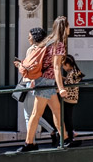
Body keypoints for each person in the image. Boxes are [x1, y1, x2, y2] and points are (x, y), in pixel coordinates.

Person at [17, 16, 70, 152]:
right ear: (65, 28)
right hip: (46, 81)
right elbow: (56, 68)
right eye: (69, 27)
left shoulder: (49, 41)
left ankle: (65, 138)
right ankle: (29, 144)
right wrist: (61, 88)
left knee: (57, 111)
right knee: (36, 113)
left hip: (45, 81)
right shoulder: (58, 44)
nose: (70, 29)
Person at [13, 27, 57, 146]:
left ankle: (32, 142)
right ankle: (54, 132)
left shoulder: (32, 49)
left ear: (35, 36)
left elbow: (29, 69)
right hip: (43, 82)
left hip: (31, 83)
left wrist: (19, 65)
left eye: (30, 35)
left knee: (30, 115)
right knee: (40, 112)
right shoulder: (46, 49)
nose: (28, 38)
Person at [62, 54, 85, 144]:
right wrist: (62, 78)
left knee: (67, 118)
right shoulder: (75, 71)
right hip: (74, 98)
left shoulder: (71, 73)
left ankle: (70, 135)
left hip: (68, 99)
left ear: (67, 64)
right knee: (68, 117)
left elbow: (68, 86)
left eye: (63, 65)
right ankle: (70, 134)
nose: (63, 67)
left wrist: (58, 90)